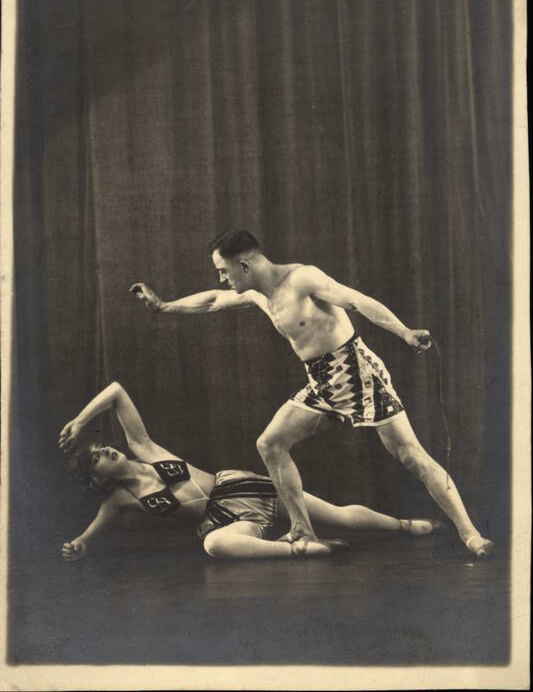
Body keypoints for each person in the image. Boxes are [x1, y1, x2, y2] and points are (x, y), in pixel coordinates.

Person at [130, 230, 493, 558]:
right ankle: (302, 530)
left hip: (356, 373)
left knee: (411, 456)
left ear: (244, 265)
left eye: (224, 271)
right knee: (270, 444)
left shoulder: (303, 278)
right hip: (320, 382)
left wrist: (405, 332)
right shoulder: (258, 293)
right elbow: (212, 300)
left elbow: (356, 300)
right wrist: (165, 306)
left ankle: (470, 534)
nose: (221, 279)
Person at [58, 382, 442, 562]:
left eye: (101, 446)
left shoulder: (144, 448)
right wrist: (80, 542)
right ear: (98, 478)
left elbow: (117, 392)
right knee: (213, 546)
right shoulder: (121, 499)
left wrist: (80, 419)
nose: (106, 449)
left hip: (241, 488)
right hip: (223, 520)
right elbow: (90, 531)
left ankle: (405, 526)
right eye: (96, 457)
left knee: (339, 516)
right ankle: (293, 550)